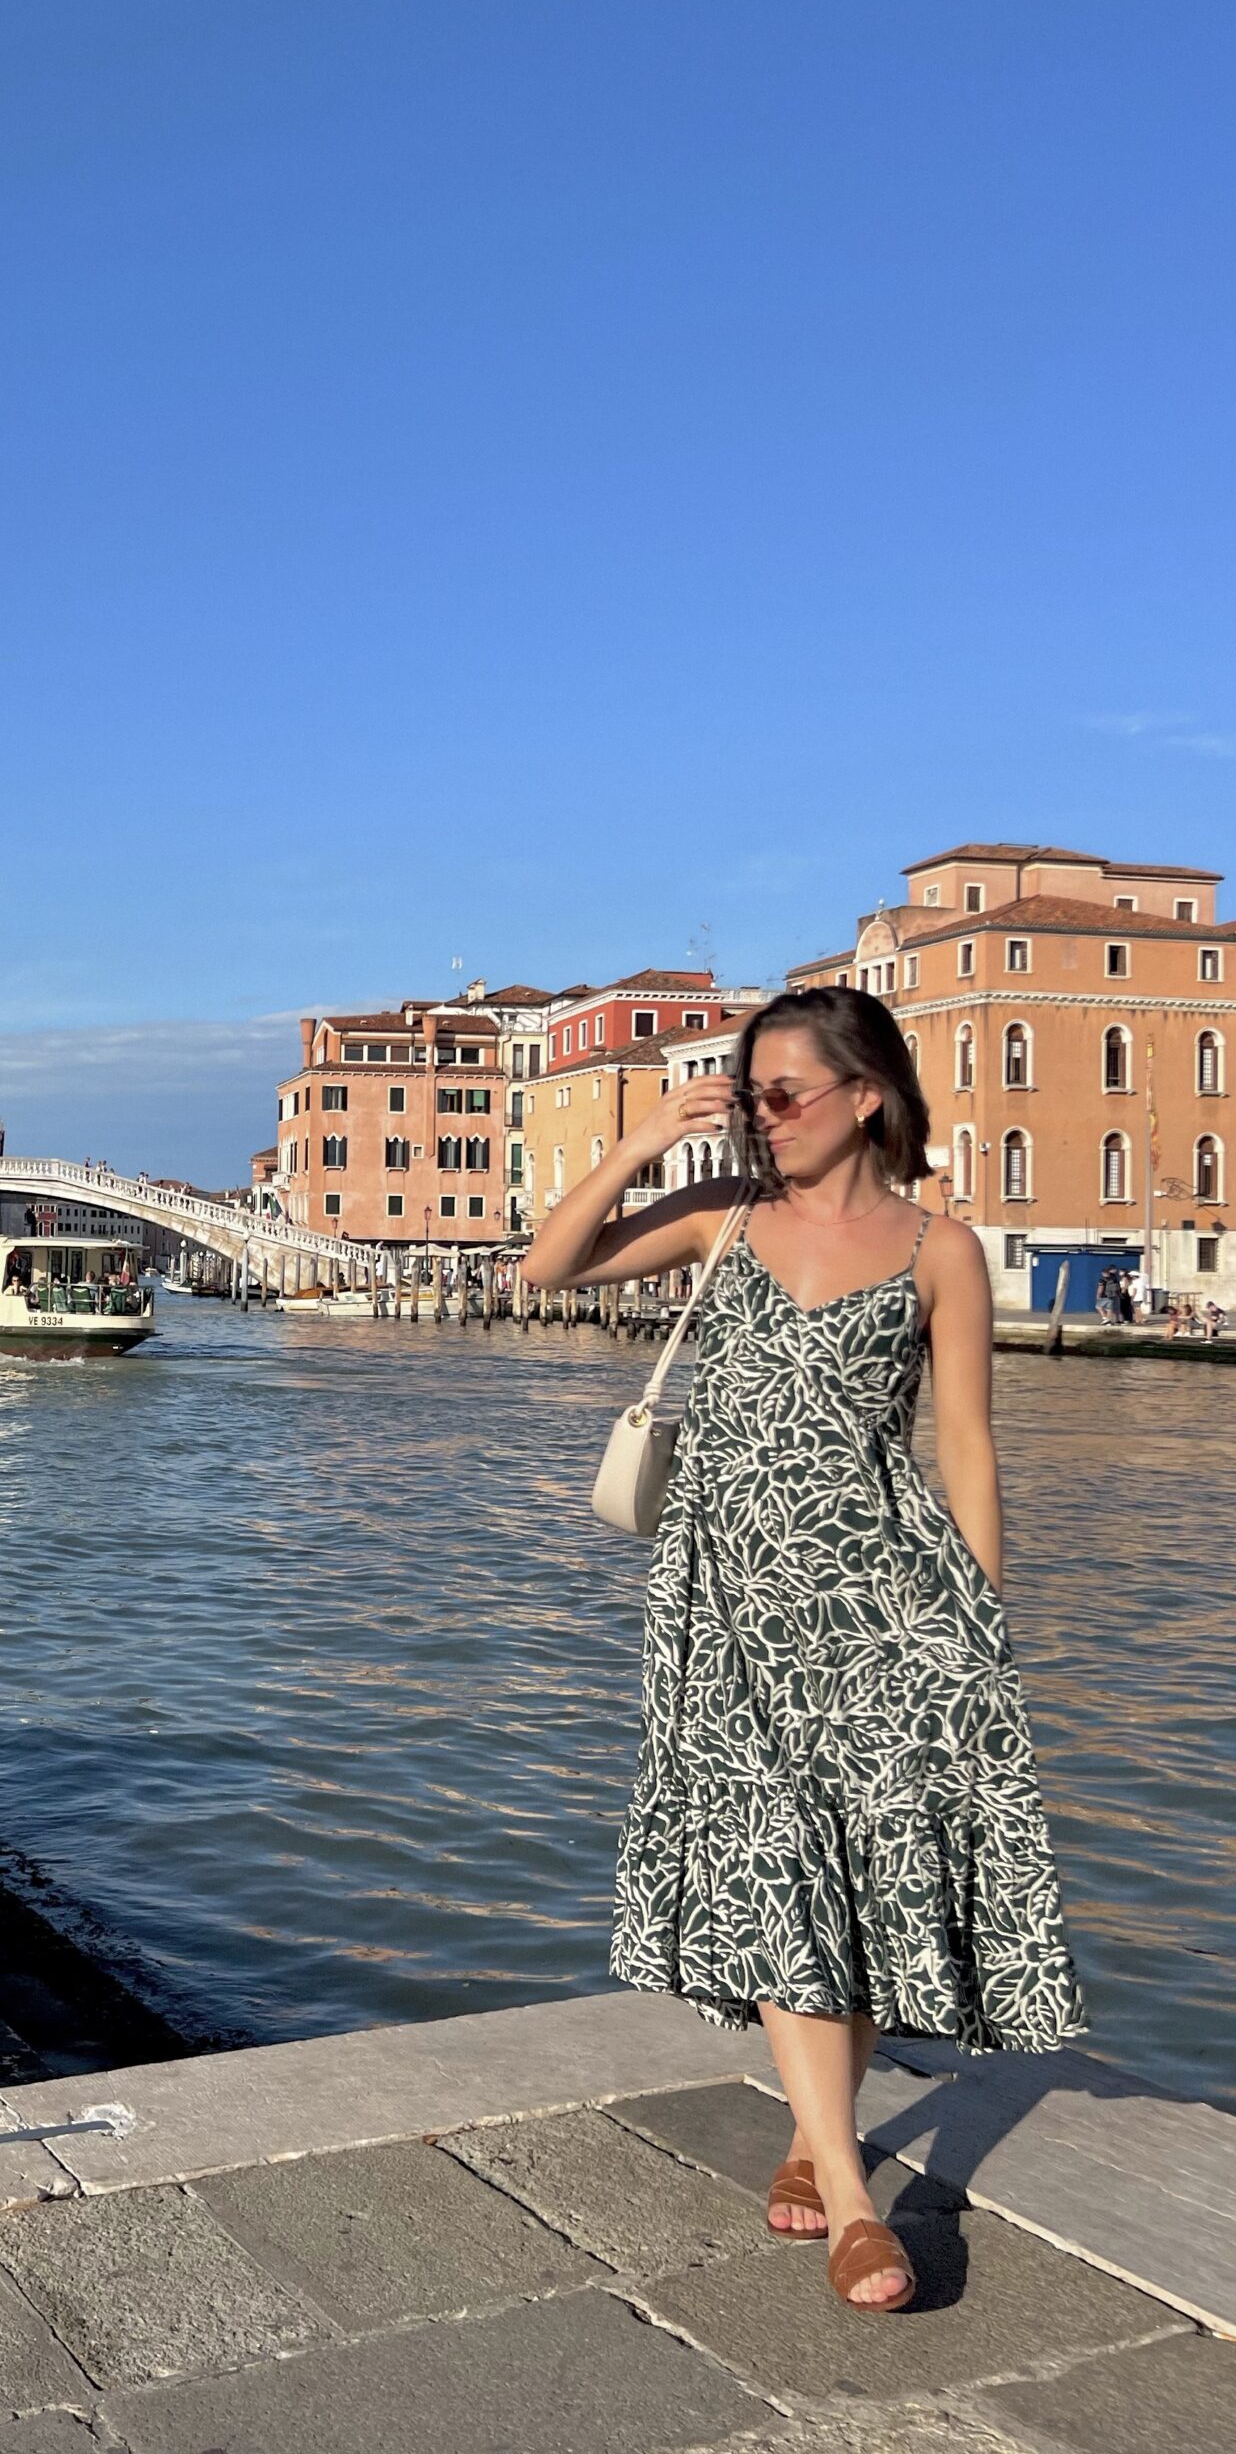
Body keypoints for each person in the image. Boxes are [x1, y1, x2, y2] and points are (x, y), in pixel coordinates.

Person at [523, 986, 1083, 2315]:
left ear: (864, 1095)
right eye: (749, 1094)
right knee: (774, 1858)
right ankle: (850, 2198)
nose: (760, 1115)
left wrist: (978, 1628)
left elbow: (965, 1448)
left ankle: (807, 2130)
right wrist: (641, 1140)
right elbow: (546, 1268)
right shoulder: (718, 1218)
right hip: (725, 1602)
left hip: (886, 1604)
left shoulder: (941, 1251)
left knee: (863, 1861)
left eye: (782, 1093)